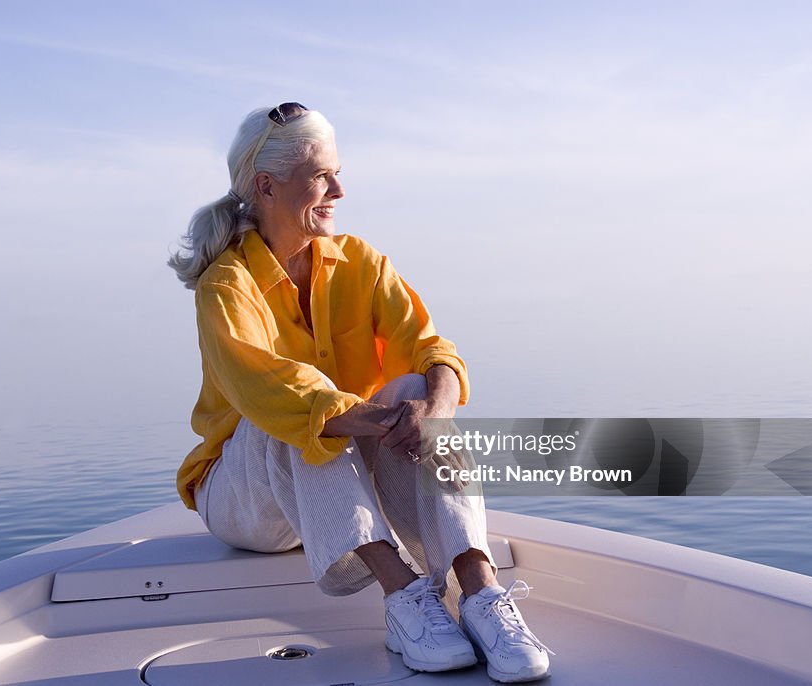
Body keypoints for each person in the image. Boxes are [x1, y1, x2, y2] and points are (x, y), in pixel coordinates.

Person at [168, 103, 552, 683]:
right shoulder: (227, 284)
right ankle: (404, 599)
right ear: (266, 186)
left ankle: (480, 589)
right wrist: (371, 418)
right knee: (304, 407)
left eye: (336, 172)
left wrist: (435, 409)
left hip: (326, 489)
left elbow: (428, 347)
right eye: (321, 175)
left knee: (415, 388)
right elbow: (268, 388)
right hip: (244, 502)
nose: (339, 189)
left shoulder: (361, 264)